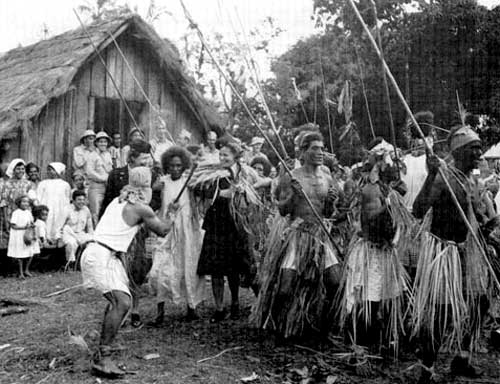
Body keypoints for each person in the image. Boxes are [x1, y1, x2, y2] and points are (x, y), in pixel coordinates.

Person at [412, 126, 499, 383]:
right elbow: (418, 210)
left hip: (466, 250)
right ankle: (425, 367)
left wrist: (486, 227)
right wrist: (431, 176)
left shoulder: (468, 178)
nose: (479, 152)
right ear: (459, 151)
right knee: (442, 312)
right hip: (444, 252)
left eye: (479, 147)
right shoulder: (444, 177)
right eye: (474, 148)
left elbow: (475, 217)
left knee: (479, 302)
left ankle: (462, 357)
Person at [80, 167, 178, 378]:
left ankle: (103, 351)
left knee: (119, 302)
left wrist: (161, 212)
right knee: (122, 303)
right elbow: (162, 230)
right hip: (100, 255)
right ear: (145, 186)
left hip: (105, 255)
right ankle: (103, 356)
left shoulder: (120, 199)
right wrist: (171, 213)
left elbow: (143, 221)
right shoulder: (141, 208)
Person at [251, 132, 341, 338]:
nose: (320, 152)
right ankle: (275, 324)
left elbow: (329, 213)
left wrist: (329, 203)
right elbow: (283, 210)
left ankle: (323, 327)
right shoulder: (291, 177)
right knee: (285, 288)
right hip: (297, 235)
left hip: (320, 236)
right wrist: (293, 196)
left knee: (335, 282)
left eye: (322, 148)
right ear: (303, 151)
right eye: (314, 148)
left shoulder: (327, 177)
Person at [338, 143, 410, 352]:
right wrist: (389, 205)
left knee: (391, 299)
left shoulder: (390, 190)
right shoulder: (371, 190)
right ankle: (357, 346)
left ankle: (379, 341)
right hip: (372, 252)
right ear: (381, 166)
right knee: (368, 301)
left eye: (399, 164)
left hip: (387, 252)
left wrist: (395, 199)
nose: (398, 167)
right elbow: (370, 219)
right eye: (393, 164)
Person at [192, 140, 261, 322]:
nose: (222, 158)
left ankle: (239, 303)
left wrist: (243, 192)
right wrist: (224, 193)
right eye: (220, 154)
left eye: (226, 155)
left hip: (237, 224)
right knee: (216, 268)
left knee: (239, 265)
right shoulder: (214, 174)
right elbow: (202, 190)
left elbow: (257, 188)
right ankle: (219, 308)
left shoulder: (245, 172)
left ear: (236, 157)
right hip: (217, 223)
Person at [99, 139, 160, 328]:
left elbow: (156, 200)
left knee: (138, 268)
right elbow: (109, 201)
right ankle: (118, 308)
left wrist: (147, 212)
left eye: (148, 161)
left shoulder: (153, 175)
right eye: (142, 160)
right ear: (132, 158)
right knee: (120, 269)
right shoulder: (117, 175)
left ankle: (135, 309)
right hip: (120, 233)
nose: (146, 164)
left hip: (142, 229)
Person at [149, 146, 205, 324]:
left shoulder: (189, 182)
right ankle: (160, 310)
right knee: (162, 268)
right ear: (167, 165)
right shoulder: (162, 182)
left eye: (179, 165)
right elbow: (154, 198)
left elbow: (201, 196)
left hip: (187, 230)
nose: (175, 169)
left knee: (188, 266)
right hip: (167, 230)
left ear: (184, 166)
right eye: (172, 165)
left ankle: (191, 307)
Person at [0, 159, 35, 248]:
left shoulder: (28, 184)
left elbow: (31, 201)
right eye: (18, 169)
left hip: (24, 214)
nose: (21, 171)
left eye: (22, 169)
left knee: (24, 238)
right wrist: (5, 220)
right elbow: (4, 203)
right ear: (13, 170)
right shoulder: (7, 184)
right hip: (10, 213)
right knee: (12, 239)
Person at [37, 163, 71, 244]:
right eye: (48, 170)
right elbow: (39, 196)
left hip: (59, 209)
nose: (48, 171)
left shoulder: (65, 184)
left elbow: (67, 198)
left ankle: (58, 241)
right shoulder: (43, 183)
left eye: (51, 169)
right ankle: (45, 241)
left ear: (57, 171)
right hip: (46, 208)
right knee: (46, 223)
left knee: (58, 225)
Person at [86, 131, 113, 224]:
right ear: (96, 143)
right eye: (100, 142)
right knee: (95, 211)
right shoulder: (91, 155)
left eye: (105, 142)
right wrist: (102, 178)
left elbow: (110, 169)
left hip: (106, 187)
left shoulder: (108, 155)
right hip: (95, 187)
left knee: (105, 210)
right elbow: (89, 172)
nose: (103, 144)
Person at [62, 190, 94, 268]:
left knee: (92, 243)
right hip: (69, 233)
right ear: (73, 200)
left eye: (83, 200)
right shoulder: (67, 209)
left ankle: (85, 264)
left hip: (81, 233)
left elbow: (90, 226)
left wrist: (91, 236)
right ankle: (69, 265)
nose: (81, 202)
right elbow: (61, 225)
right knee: (72, 243)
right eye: (79, 200)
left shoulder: (86, 209)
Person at [7, 195, 35, 278]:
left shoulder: (28, 212)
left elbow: (31, 222)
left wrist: (32, 226)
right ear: (19, 203)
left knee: (30, 253)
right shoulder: (16, 213)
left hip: (27, 234)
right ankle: (20, 273)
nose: (25, 203)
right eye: (23, 201)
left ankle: (26, 270)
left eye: (27, 202)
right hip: (18, 235)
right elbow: (13, 226)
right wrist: (24, 227)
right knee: (20, 255)